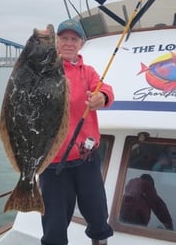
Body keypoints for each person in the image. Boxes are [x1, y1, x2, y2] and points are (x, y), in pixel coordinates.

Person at [39, 19, 114, 245]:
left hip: (86, 159)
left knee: (98, 215)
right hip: (52, 163)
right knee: (54, 225)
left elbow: (106, 89)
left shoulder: (87, 72)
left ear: (81, 44)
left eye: (74, 39)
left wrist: (102, 97)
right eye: (64, 38)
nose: (69, 43)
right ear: (56, 42)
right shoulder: (44, 70)